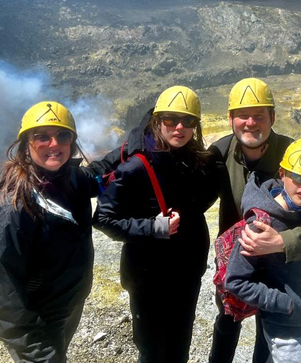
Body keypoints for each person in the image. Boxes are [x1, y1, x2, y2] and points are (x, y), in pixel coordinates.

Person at [209, 78, 301, 363]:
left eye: (259, 115)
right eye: (242, 115)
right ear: (230, 119)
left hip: (281, 270)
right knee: (228, 321)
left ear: (272, 118)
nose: (251, 123)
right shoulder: (219, 153)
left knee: (269, 333)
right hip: (239, 263)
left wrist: (282, 242)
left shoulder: (296, 157)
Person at [94, 85, 228, 363]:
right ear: (157, 120)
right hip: (147, 275)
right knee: (152, 347)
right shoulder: (135, 166)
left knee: (180, 343)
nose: (179, 127)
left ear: (196, 125)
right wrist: (152, 227)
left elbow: (203, 200)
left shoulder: (200, 160)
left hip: (187, 271)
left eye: (188, 121)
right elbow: (104, 218)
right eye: (170, 119)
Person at [0, 101, 114, 363]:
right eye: (41, 137)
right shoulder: (12, 206)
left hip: (67, 304)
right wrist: (33, 349)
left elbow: (100, 173)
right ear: (26, 145)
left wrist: (140, 139)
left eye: (63, 135)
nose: (54, 144)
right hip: (36, 321)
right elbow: (3, 288)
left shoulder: (71, 179)